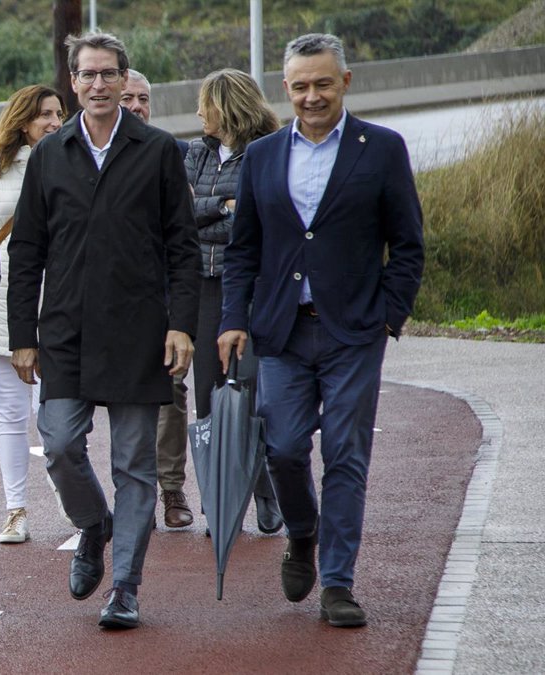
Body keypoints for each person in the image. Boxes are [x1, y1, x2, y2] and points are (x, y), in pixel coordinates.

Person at [218, 33, 424, 628]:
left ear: (345, 83)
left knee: (345, 455)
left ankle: (338, 583)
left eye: (323, 84)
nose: (312, 96)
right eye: (301, 86)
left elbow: (407, 244)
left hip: (353, 333)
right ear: (286, 89)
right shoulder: (261, 156)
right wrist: (234, 320)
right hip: (281, 332)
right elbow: (243, 251)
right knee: (282, 448)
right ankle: (301, 533)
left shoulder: (381, 149)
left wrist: (388, 314)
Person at [8, 32, 200, 629]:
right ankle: (94, 524)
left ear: (124, 80)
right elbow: (28, 251)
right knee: (61, 445)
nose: (97, 84)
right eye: (87, 75)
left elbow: (183, 249)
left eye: (108, 74)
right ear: (73, 82)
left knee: (134, 466)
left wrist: (182, 326)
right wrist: (22, 336)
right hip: (64, 330)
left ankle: (125, 586)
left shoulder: (159, 150)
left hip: (141, 332)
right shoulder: (49, 153)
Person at [0, 84, 65, 544]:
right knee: (10, 413)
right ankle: (16, 510)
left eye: (58, 113)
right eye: (44, 114)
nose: (53, 121)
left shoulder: (73, 162)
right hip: (2, 306)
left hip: (61, 305)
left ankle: (70, 491)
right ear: (22, 120)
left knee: (60, 412)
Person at [187, 68, 284, 534]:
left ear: (224, 108)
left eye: (204, 104)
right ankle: (218, 497)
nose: (197, 114)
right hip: (201, 288)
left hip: (247, 288)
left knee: (246, 401)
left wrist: (220, 215)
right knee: (208, 397)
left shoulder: (267, 153)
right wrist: (220, 208)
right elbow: (181, 215)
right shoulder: (194, 153)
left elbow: (252, 224)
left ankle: (264, 492)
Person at [121, 68, 193, 530]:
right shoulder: (89, 156)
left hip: (164, 297)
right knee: (123, 400)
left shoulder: (175, 152)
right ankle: (132, 492)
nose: (136, 107)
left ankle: (170, 488)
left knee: (171, 392)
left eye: (143, 99)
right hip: (113, 301)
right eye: (128, 98)